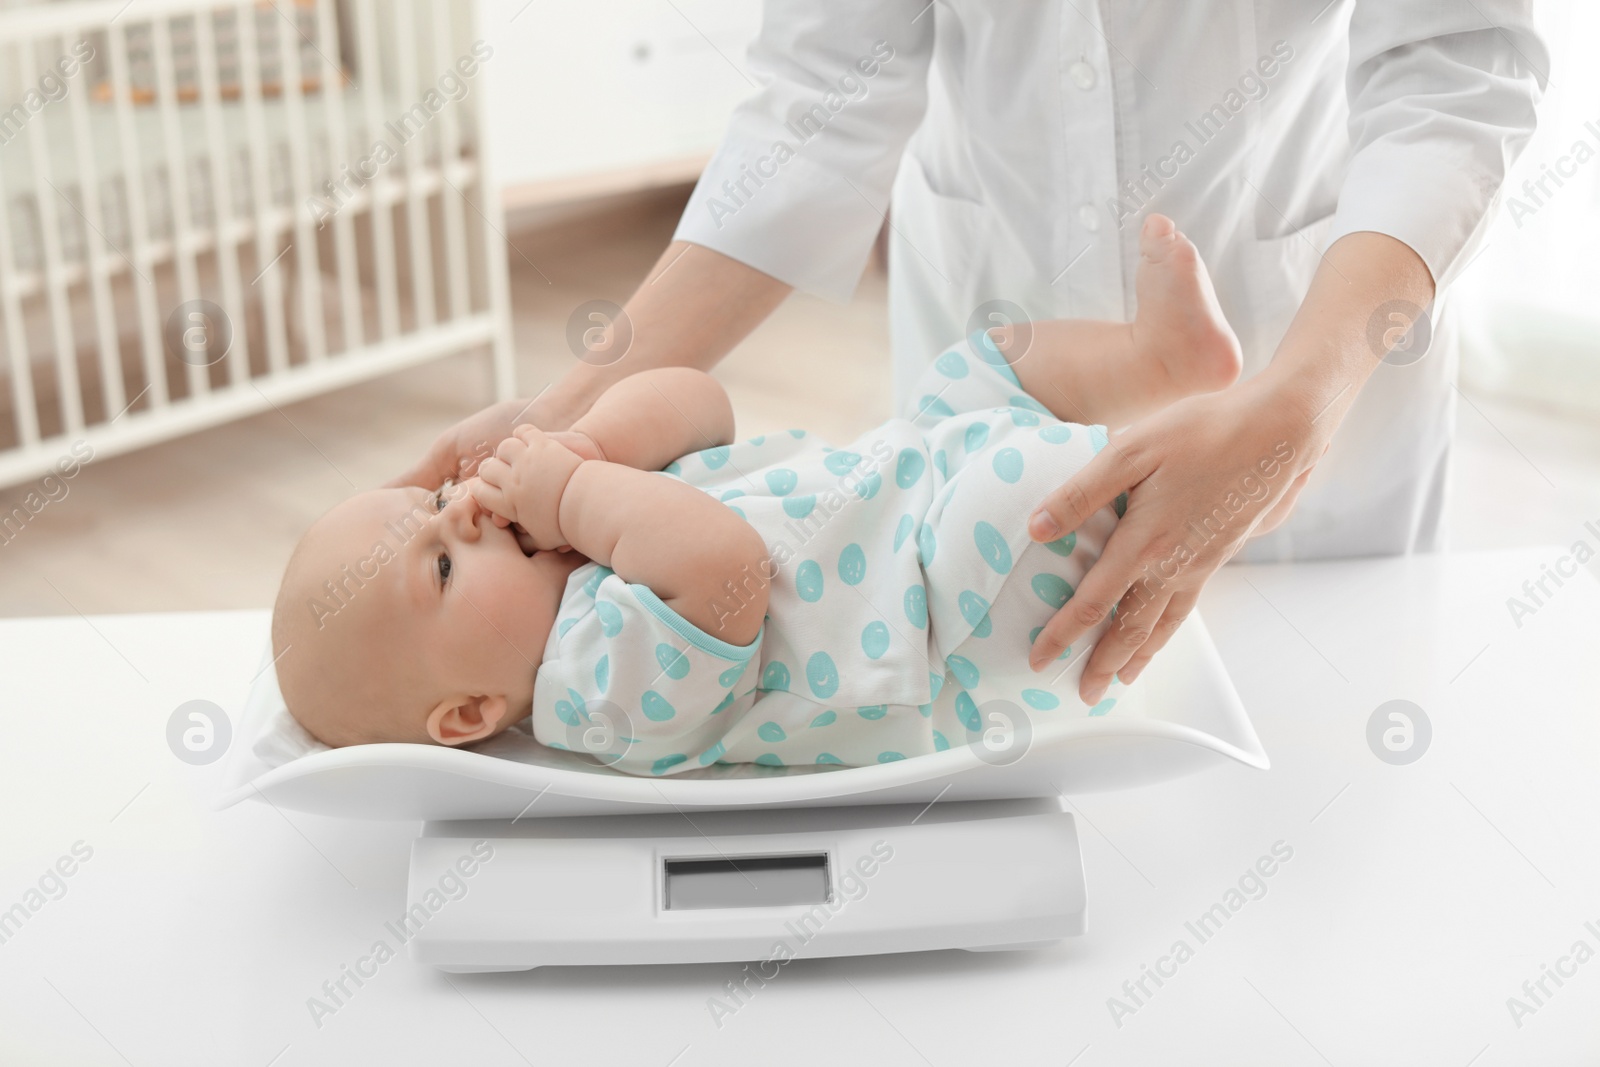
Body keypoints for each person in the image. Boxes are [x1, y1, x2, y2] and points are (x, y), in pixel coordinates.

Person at [392, 2, 1547, 705]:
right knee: (1000, 684)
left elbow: (1453, 69)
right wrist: (564, 415)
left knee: (1319, 784)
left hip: (1308, 352)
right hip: (992, 376)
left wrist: (1299, 401)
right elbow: (824, 97)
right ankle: (1157, 353)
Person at [281, 218, 1262, 774]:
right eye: (443, 560)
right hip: (943, 629)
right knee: (1020, 487)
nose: (464, 513)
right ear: (468, 712)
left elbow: (702, 407)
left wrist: (583, 441)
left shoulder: (584, 533)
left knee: (979, 368)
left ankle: (1157, 361)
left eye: (436, 504)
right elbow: (723, 569)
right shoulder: (586, 682)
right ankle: (1188, 476)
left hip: (903, 490)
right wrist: (575, 488)